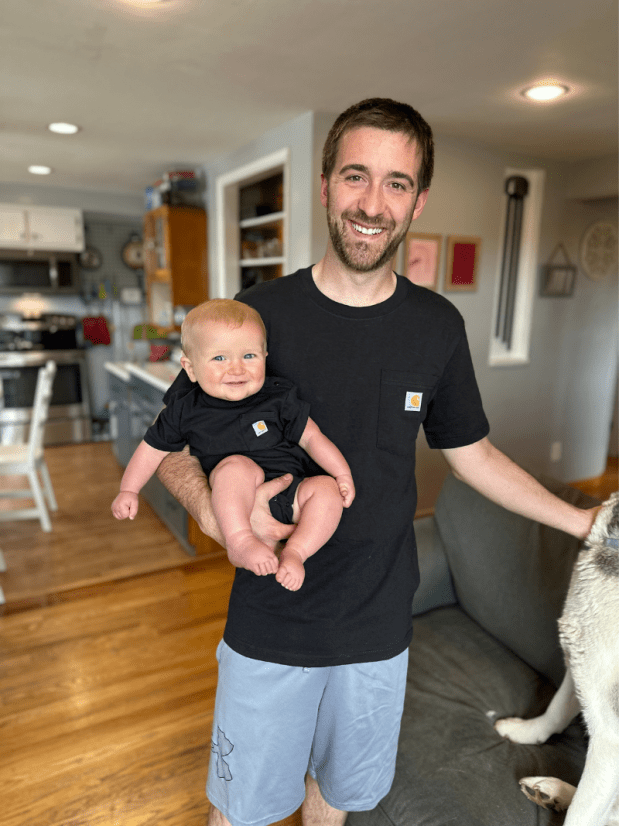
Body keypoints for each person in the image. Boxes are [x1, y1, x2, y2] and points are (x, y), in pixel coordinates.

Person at [155, 98, 600, 826]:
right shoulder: (257, 315)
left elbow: (473, 456)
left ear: (417, 200)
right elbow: (172, 442)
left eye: (395, 183)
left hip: (375, 627)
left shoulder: (435, 327)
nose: (371, 203)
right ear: (325, 186)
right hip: (270, 621)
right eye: (355, 177)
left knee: (335, 801)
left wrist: (578, 520)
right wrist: (212, 512)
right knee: (241, 811)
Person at [111, 299, 354, 592]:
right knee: (237, 466)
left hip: (293, 492)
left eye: (249, 356)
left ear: (265, 356)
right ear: (190, 368)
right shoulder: (185, 409)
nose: (236, 369)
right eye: (219, 359)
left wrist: (341, 475)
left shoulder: (278, 397)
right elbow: (152, 448)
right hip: (239, 497)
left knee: (327, 491)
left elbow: (312, 438)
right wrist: (129, 489)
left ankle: (296, 553)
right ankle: (240, 542)